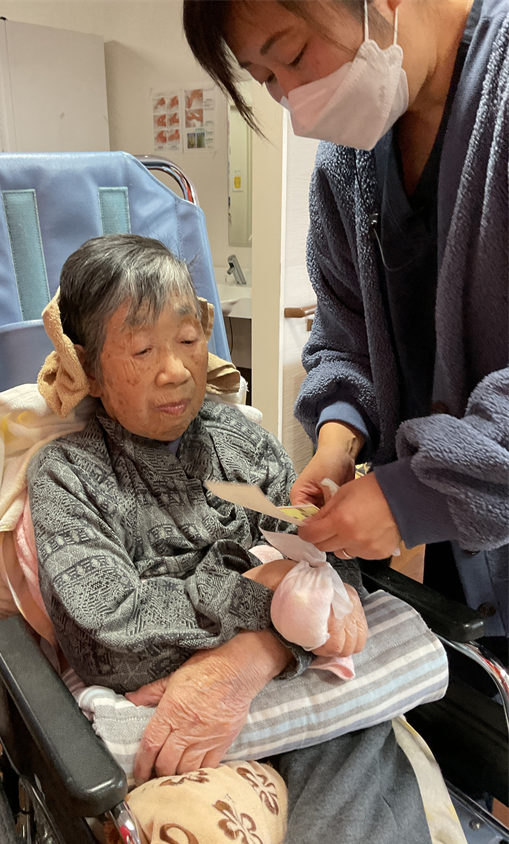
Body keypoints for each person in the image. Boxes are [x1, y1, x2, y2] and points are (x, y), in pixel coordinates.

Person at [28, 234, 432, 844]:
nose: (176, 370)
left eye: (189, 340)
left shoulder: (238, 441)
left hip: (305, 702)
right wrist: (261, 598)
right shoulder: (69, 473)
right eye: (142, 348)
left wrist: (263, 646)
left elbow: (333, 579)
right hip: (178, 731)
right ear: (87, 369)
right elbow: (106, 640)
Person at [183, 0, 509, 648]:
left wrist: (415, 497)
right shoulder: (348, 167)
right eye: (267, 78)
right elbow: (344, 332)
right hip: (468, 528)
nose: (296, 103)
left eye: (296, 54)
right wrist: (339, 439)